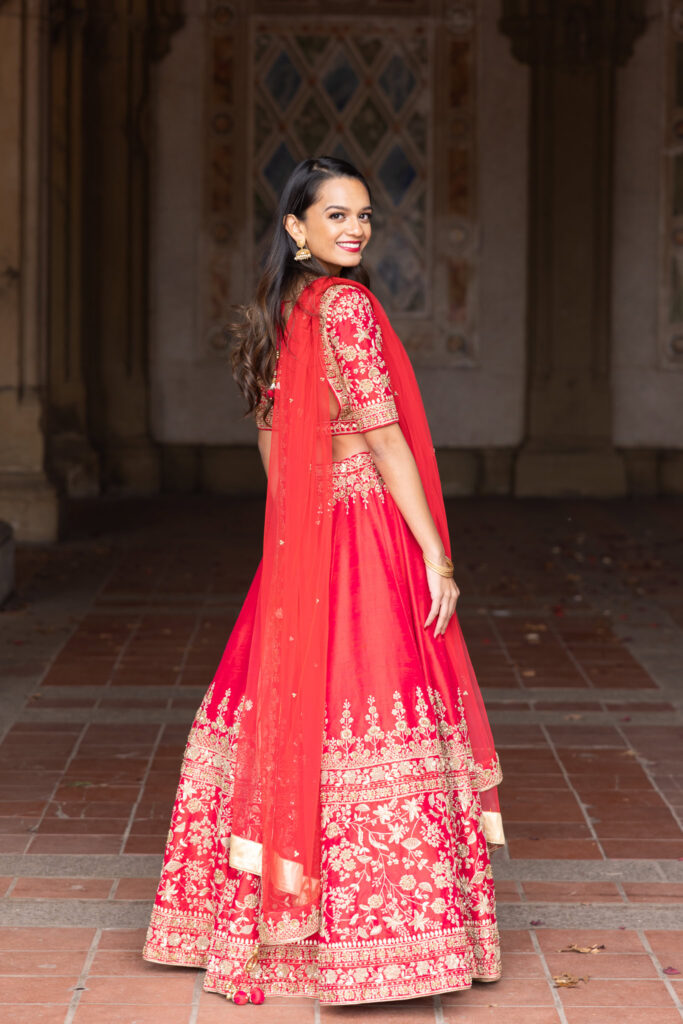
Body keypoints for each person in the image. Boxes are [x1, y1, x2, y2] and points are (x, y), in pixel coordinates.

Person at [143, 155, 505, 1006]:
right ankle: (384, 941)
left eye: (364, 215)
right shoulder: (346, 307)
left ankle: (266, 927)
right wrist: (436, 555)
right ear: (295, 227)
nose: (355, 229)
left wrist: (296, 531)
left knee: (293, 704)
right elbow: (383, 437)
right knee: (372, 696)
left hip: (308, 531)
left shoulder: (280, 310)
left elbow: (271, 440)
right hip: (365, 529)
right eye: (335, 215)